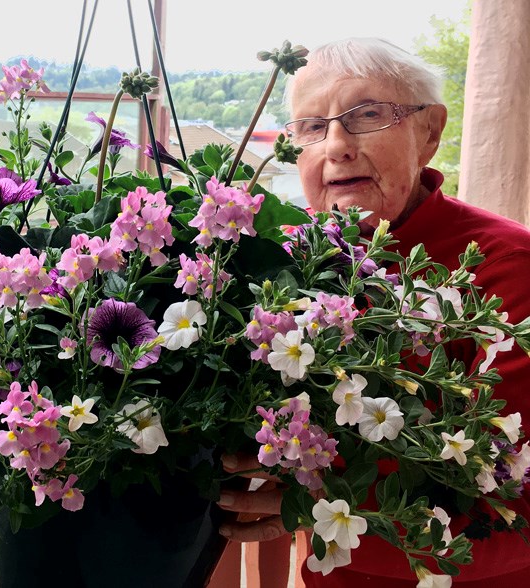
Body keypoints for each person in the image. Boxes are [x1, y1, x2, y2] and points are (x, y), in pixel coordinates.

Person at [217, 38, 530, 586]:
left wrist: (313, 496)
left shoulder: (510, 270)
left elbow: (517, 510)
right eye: (311, 128)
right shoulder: (276, 260)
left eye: (366, 115)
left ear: (429, 131)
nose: (336, 145)